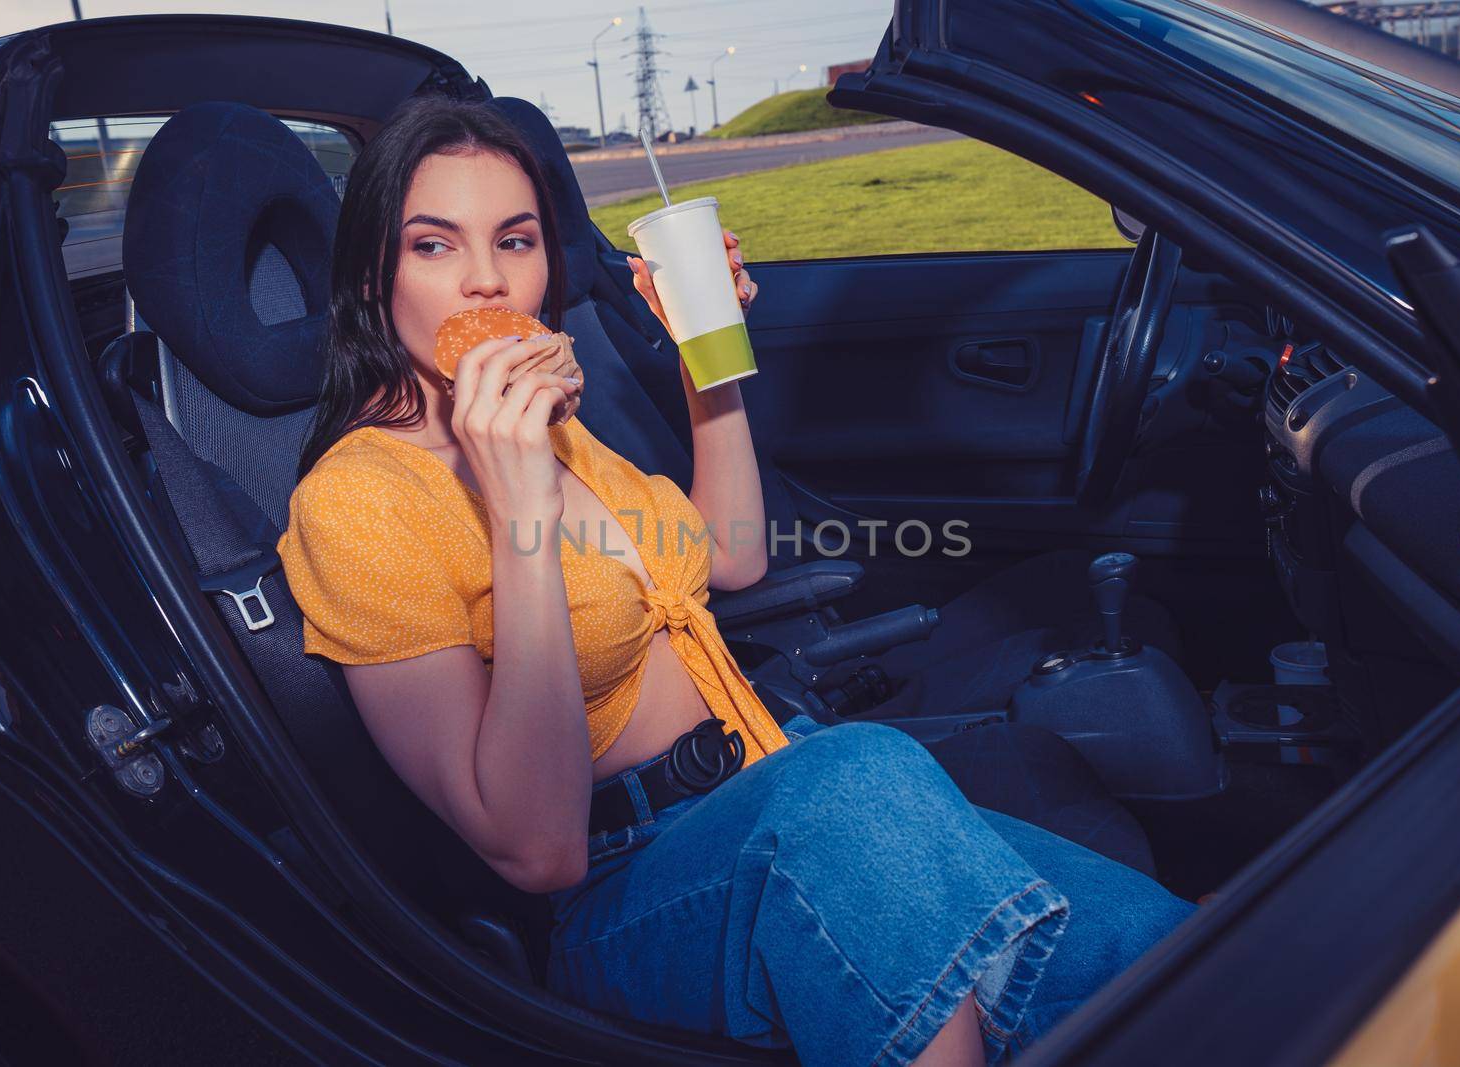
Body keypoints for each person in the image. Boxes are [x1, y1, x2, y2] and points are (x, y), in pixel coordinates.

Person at [276, 93, 1193, 1067]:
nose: (485, 282)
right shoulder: (360, 503)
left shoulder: (540, 418)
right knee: (863, 775)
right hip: (628, 883)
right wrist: (520, 516)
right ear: (373, 272)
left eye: (515, 239)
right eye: (433, 245)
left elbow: (732, 553)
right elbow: (538, 850)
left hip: (774, 782)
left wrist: (703, 358)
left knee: (1171, 956)